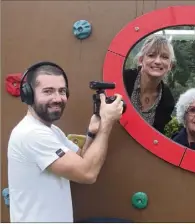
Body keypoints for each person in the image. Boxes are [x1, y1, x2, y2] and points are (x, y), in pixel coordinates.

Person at [7, 62, 124, 222]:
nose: (57, 98)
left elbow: (81, 159)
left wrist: (92, 132)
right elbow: (87, 174)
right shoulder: (32, 133)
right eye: (48, 91)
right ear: (29, 95)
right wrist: (108, 122)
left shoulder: (52, 131)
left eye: (62, 91)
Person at [123, 35, 176, 134]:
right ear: (141, 60)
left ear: (170, 66)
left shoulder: (167, 100)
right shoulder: (123, 79)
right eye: (151, 55)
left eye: (164, 57)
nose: (158, 61)